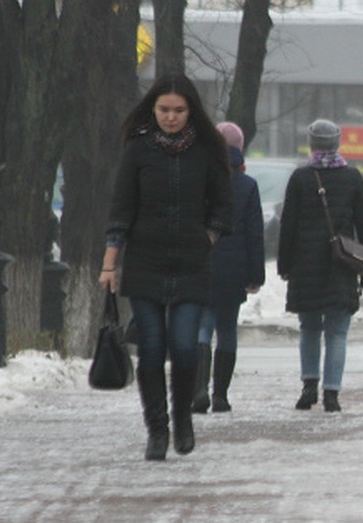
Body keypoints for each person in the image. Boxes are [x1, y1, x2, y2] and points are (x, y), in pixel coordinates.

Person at [99, 73, 233, 461]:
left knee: (186, 347)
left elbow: (223, 208)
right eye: (163, 110)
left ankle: (183, 421)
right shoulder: (139, 150)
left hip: (191, 264)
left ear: (191, 111)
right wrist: (110, 262)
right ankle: (156, 429)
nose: (170, 117)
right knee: (153, 348)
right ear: (152, 109)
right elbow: (121, 208)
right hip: (145, 263)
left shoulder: (207, 150)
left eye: (178, 110)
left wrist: (206, 238)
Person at [277, 118, 363, 413]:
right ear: (337, 143)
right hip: (341, 264)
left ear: (312, 144)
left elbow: (288, 225)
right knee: (337, 331)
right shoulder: (352, 177)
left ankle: (309, 387)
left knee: (308, 327)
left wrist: (284, 263)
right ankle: (331, 393)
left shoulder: (300, 178)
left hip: (305, 263)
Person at [192, 122, 266, 414]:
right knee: (227, 329)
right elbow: (255, 233)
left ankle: (199, 390)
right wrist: (255, 275)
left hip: (202, 264)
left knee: (203, 326)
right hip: (234, 270)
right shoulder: (248, 186)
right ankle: (220, 395)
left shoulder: (199, 179)